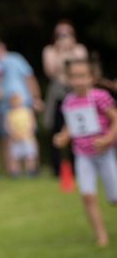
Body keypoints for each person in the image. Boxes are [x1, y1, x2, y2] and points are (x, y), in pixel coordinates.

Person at [53, 59, 117, 246]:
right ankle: (101, 236)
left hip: (104, 154)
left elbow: (115, 119)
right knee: (87, 196)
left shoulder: (100, 97)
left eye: (82, 76)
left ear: (91, 78)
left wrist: (107, 139)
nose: (78, 81)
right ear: (68, 79)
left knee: (114, 198)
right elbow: (70, 126)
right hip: (82, 155)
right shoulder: (69, 102)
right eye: (74, 77)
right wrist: (62, 137)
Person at [0, 37, 44, 174]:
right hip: (3, 106)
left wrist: (36, 97)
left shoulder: (15, 58)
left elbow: (28, 76)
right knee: (7, 136)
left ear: (3, 47)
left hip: (23, 103)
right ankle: (12, 170)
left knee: (28, 134)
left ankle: (32, 167)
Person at [42, 20, 88, 177]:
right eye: (60, 34)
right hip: (57, 94)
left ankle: (79, 166)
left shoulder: (79, 49)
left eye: (67, 34)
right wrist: (60, 53)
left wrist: (70, 51)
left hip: (76, 93)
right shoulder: (49, 50)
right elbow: (50, 72)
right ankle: (57, 169)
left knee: (78, 128)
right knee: (57, 129)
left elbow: (83, 69)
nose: (64, 37)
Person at [4, 93, 39, 177]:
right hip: (15, 139)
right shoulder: (9, 113)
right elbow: (8, 126)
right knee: (14, 156)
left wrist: (26, 133)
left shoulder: (27, 111)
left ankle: (31, 170)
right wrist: (14, 134)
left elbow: (31, 124)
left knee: (30, 155)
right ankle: (15, 172)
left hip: (27, 137)